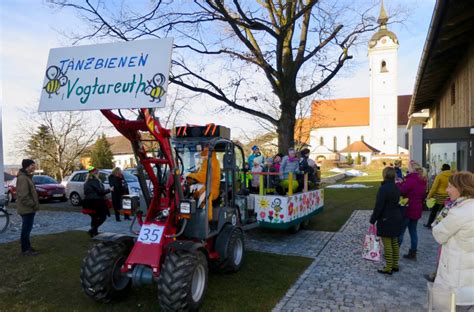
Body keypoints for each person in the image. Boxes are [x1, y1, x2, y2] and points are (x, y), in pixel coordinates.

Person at [431, 171, 474, 309]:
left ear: (461, 188)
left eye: (450, 186)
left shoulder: (458, 212)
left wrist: (443, 214)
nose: (447, 190)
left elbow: (438, 234)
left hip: (457, 276)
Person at [370, 167, 402, 274]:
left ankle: (388, 267)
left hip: (386, 218)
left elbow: (379, 206)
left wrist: (373, 219)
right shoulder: (396, 187)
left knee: (387, 243)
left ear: (384, 175)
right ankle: (395, 264)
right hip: (396, 216)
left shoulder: (383, 188)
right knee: (394, 242)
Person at [397, 160, 427, 260]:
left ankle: (394, 252)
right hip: (417, 208)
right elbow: (422, 195)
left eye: (408, 166)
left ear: (412, 168)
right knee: (413, 232)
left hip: (407, 208)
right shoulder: (422, 179)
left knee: (401, 232)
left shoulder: (411, 179)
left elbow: (402, 191)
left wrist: (398, 183)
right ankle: (413, 253)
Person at [16, 159, 40, 256]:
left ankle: (27, 247)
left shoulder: (27, 177)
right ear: (28, 166)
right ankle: (25, 249)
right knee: (26, 229)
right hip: (26, 209)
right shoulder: (23, 178)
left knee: (27, 229)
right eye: (33, 165)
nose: (34, 167)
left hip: (29, 208)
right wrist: (33, 204)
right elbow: (23, 196)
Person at [83, 166, 111, 237]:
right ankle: (92, 230)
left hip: (88, 201)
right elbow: (100, 192)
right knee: (103, 217)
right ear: (95, 173)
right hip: (96, 202)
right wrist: (110, 190)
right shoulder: (95, 181)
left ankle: (94, 232)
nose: (98, 173)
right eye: (97, 172)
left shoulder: (87, 181)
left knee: (94, 217)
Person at [425, 164, 452, 229]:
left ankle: (429, 224)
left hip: (439, 197)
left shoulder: (440, 176)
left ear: (442, 169)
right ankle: (444, 225)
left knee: (434, 211)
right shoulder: (453, 176)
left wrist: (428, 196)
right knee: (445, 212)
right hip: (448, 196)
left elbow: (434, 188)